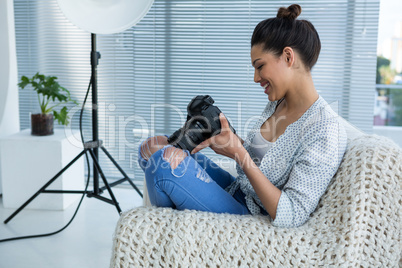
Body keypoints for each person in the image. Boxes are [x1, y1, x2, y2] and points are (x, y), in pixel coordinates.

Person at [138, 4, 347, 228]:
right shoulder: (278, 103)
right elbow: (266, 162)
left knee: (160, 164)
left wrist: (240, 155)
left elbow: (292, 215)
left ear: (288, 57)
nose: (256, 78)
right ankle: (175, 224)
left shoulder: (325, 129)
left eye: (260, 66)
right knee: (153, 147)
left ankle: (160, 235)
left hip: (253, 216)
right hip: (239, 192)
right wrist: (232, 143)